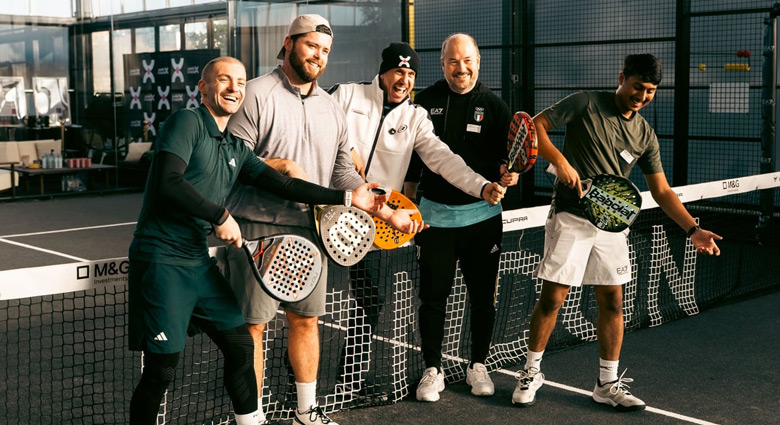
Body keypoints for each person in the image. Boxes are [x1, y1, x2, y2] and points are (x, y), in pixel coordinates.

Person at [127, 56, 385, 425]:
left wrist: (347, 198)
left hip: (197, 262)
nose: (234, 88)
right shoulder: (186, 122)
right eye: (224, 80)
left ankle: (251, 422)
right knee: (161, 371)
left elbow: (284, 184)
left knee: (239, 345)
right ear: (203, 87)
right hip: (160, 259)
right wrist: (219, 215)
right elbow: (169, 182)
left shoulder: (234, 147)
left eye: (241, 82)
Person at [221, 15, 432, 425]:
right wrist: (278, 164)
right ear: (289, 43)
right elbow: (235, 163)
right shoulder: (257, 95)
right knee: (255, 328)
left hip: (312, 229)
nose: (318, 56)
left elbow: (343, 174)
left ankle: (306, 412)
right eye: (311, 46)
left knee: (306, 321)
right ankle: (250, 419)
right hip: (258, 226)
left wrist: (386, 209)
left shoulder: (330, 106)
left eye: (325, 51)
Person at [512, 53, 723, 411]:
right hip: (570, 216)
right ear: (622, 77)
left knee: (613, 302)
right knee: (553, 298)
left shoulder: (645, 135)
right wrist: (560, 161)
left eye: (651, 90)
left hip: (612, 224)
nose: (642, 95)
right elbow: (534, 126)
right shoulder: (586, 102)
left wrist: (693, 230)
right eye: (637, 86)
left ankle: (606, 383)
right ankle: (530, 372)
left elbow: (662, 191)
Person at [328, 41, 508, 397]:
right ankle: (285, 391)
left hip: (376, 222)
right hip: (328, 209)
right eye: (398, 71)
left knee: (369, 299)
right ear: (382, 72)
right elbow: (317, 120)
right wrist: (344, 147)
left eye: (410, 74)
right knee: (306, 305)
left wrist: (482, 187)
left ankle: (349, 381)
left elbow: (444, 159)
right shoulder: (346, 95)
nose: (404, 79)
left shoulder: (415, 117)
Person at [401, 34, 519, 403]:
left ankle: (478, 365)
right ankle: (432, 370)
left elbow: (508, 160)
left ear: (479, 61)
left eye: (467, 60)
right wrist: (404, 205)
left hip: (483, 219)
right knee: (433, 298)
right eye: (453, 61)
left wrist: (511, 175)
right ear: (442, 64)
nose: (461, 68)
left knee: (483, 297)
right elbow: (413, 162)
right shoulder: (425, 103)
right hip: (435, 218)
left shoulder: (495, 106)